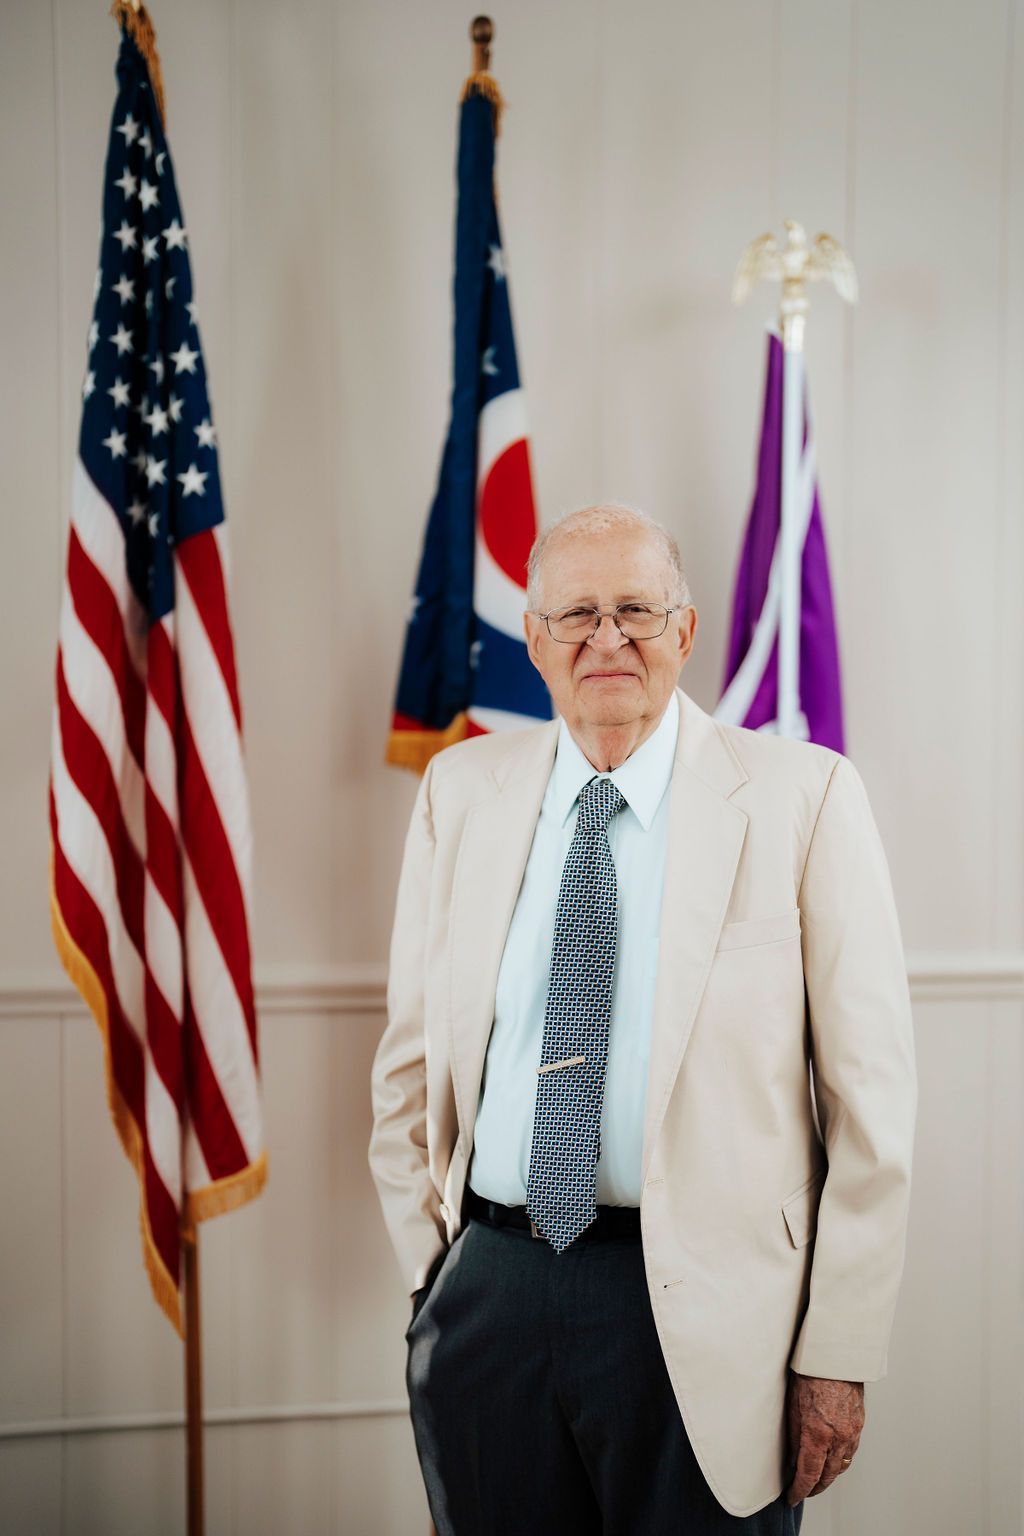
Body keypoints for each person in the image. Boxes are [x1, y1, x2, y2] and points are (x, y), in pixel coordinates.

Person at [368, 502, 917, 1534]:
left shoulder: (804, 798)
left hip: (711, 1320)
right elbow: (406, 1065)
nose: (607, 638)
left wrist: (836, 1352)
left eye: (635, 609)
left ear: (686, 631)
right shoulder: (461, 791)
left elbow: (870, 1111)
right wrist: (431, 1279)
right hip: (491, 1290)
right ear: (532, 640)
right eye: (575, 613)